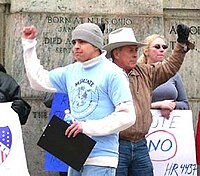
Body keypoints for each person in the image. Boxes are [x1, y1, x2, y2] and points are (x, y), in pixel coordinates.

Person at [21, 22, 136, 176]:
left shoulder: (113, 73)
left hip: (101, 158)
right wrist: (28, 44)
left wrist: (86, 127)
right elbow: (38, 80)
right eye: (74, 42)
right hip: (74, 156)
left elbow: (128, 116)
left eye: (82, 42)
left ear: (96, 45)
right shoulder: (71, 71)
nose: (76, 46)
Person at [103, 24, 194, 176]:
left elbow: (170, 67)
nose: (134, 54)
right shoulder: (105, 74)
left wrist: (181, 43)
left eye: (135, 50)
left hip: (140, 143)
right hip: (115, 144)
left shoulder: (144, 72)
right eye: (130, 50)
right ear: (116, 54)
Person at [137, 34, 189, 119]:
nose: (161, 50)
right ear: (146, 51)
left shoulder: (173, 74)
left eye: (164, 47)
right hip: (144, 124)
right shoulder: (138, 74)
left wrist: (172, 105)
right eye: (157, 47)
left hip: (170, 126)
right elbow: (133, 106)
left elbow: (185, 104)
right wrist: (158, 105)